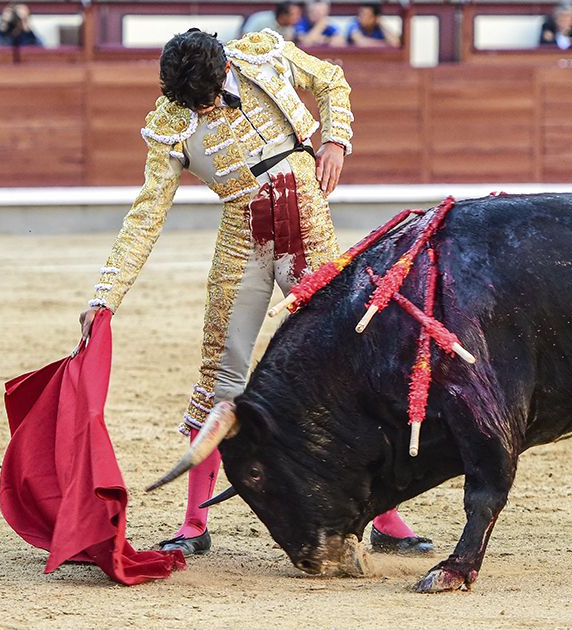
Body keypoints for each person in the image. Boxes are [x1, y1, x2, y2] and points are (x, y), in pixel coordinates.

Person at [79, 28, 432, 557]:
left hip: (307, 224)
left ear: (225, 68)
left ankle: (383, 516)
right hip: (241, 237)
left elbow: (331, 80)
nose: (203, 108)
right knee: (221, 374)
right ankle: (194, 524)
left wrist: (335, 140)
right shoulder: (170, 123)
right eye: (192, 102)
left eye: (207, 96)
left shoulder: (262, 54)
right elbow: (146, 216)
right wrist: (105, 296)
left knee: (348, 365)